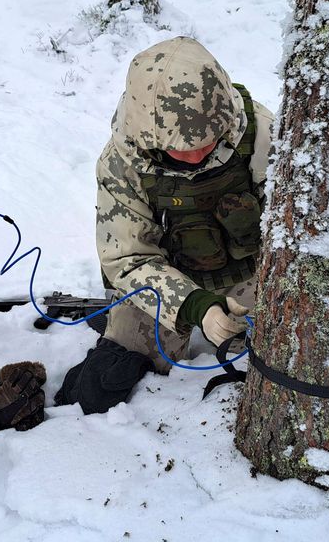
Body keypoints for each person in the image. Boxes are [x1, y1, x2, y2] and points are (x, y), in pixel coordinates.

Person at [54, 36, 274, 414]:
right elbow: (128, 259)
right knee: (106, 382)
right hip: (163, 285)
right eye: (180, 146)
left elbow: (292, 237)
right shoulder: (121, 164)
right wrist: (195, 306)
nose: (197, 154)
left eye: (207, 140)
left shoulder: (262, 136)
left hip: (249, 276)